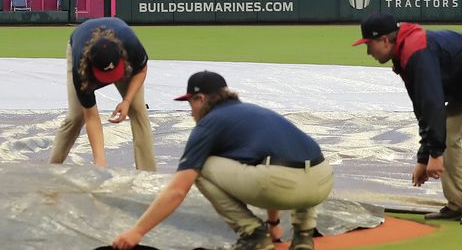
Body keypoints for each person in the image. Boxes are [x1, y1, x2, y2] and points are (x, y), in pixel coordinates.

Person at [111, 71, 332, 250]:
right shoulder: (255, 112)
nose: (190, 112)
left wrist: (137, 231)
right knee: (288, 163)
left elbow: (178, 190)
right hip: (322, 182)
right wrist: (274, 223)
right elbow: (276, 158)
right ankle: (303, 236)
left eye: (190, 103)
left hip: (281, 185)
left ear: (201, 99)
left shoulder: (209, 124)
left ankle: (253, 234)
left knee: (201, 167)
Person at [354, 13, 462, 226]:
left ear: (384, 40)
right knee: (446, 128)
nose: (368, 51)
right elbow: (423, 110)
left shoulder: (417, 52)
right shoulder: (405, 55)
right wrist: (424, 157)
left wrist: (435, 155)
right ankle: (461, 203)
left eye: (369, 44)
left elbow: (433, 103)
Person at [49, 17, 154, 171]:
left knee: (138, 110)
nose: (112, 79)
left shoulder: (130, 44)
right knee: (76, 117)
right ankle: (51, 169)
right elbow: (91, 116)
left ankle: (148, 175)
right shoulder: (81, 70)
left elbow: (141, 70)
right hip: (78, 42)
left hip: (121, 52)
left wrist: (127, 100)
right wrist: (100, 161)